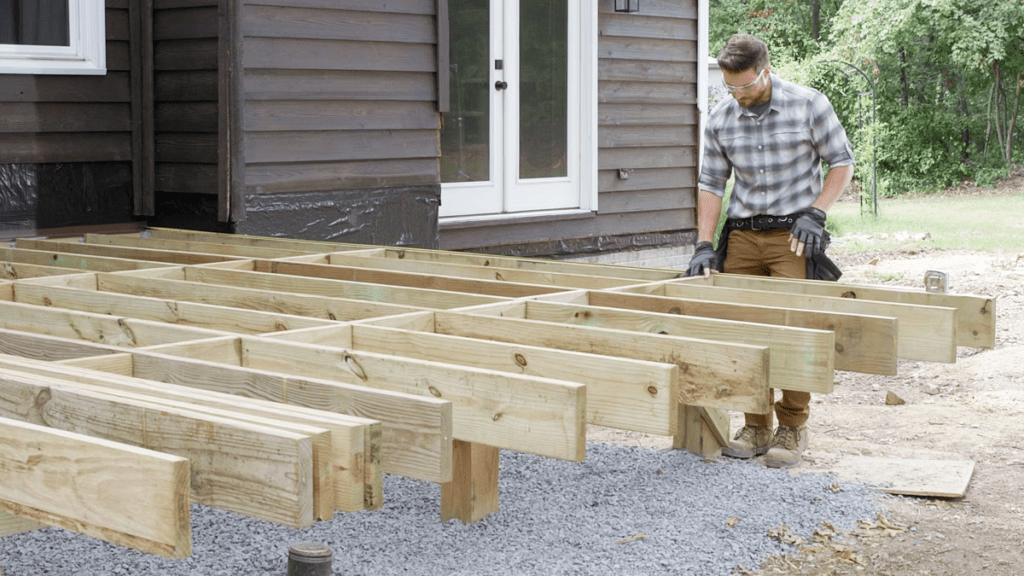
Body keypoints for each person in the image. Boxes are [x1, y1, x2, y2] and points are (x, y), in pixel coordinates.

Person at [686, 33, 855, 468]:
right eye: (730, 87)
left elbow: (842, 162)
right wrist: (704, 244)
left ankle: (792, 426)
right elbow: (710, 183)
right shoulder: (722, 118)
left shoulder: (808, 104)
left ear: (766, 69)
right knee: (741, 329)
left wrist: (816, 213)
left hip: (793, 236)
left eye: (745, 86)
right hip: (742, 236)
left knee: (793, 329)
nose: (738, 95)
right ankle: (756, 424)